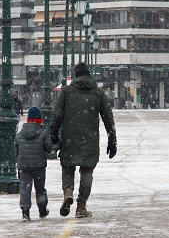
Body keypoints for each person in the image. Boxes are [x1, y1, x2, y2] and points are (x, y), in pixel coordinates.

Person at [50, 62, 116, 218]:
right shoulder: (98, 93)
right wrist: (112, 139)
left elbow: (57, 115)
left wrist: (53, 133)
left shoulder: (66, 92)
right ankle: (81, 206)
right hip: (90, 139)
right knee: (87, 170)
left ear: (75, 75)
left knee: (67, 166)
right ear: (89, 74)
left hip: (69, 137)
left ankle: (68, 192)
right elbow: (108, 118)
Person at [15, 106, 51, 221]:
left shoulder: (19, 134)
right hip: (39, 166)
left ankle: (25, 211)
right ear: (40, 119)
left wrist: (20, 160)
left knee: (25, 189)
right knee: (40, 189)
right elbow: (49, 148)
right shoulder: (43, 133)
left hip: (24, 167)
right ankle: (42, 210)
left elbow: (15, 151)